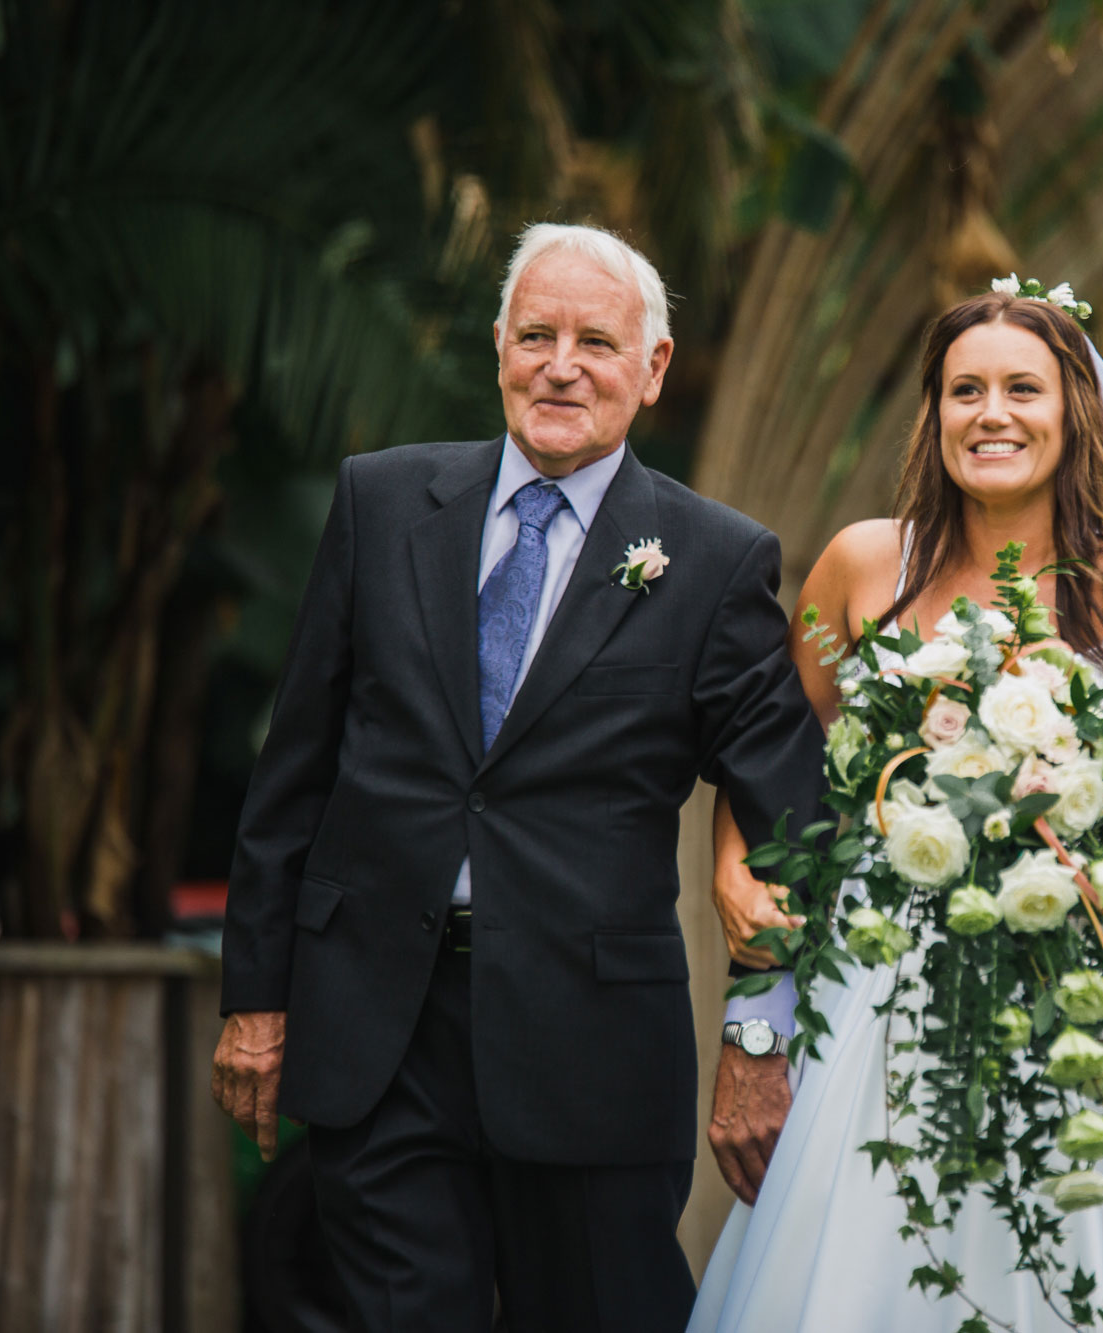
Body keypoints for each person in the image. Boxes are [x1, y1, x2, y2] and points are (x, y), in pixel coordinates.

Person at [211, 222, 825, 1333]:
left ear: (653, 369)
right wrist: (256, 995)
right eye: (535, 333)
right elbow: (293, 769)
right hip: (376, 1028)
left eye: (595, 340)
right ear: (497, 345)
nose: (559, 364)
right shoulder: (381, 503)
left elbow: (792, 816)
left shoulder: (716, 560)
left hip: (589, 1048)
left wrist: (759, 1033)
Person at [695, 286, 1103, 1330]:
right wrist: (732, 865)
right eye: (964, 390)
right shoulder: (865, 565)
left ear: (1072, 410)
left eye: (1019, 389)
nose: (990, 413)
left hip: (1079, 1003)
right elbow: (767, 765)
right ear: (933, 415)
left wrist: (1039, 869)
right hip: (880, 1000)